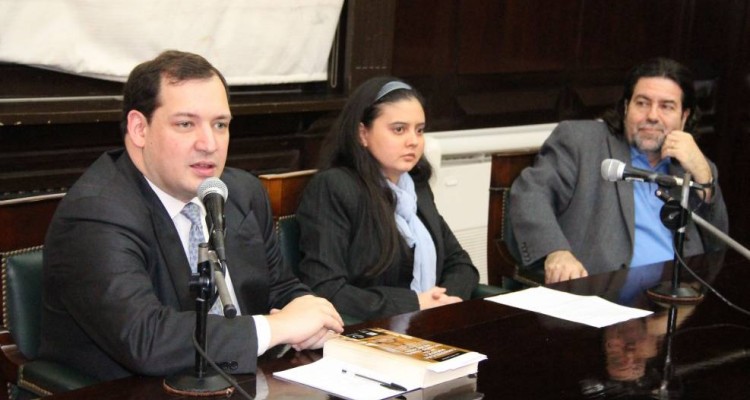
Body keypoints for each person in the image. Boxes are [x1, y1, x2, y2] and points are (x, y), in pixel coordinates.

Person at [39, 50, 343, 381]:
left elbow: (279, 287)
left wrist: (312, 315)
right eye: (186, 124)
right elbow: (147, 340)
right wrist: (277, 327)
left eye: (220, 124)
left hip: (242, 380)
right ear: (140, 129)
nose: (209, 143)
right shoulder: (96, 213)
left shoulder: (240, 192)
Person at [509, 57, 729, 284]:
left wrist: (704, 177)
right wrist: (556, 252)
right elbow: (530, 195)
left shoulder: (693, 166)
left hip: (677, 297)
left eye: (666, 106)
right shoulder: (581, 142)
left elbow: (717, 247)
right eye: (642, 103)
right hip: (605, 295)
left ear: (684, 117)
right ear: (626, 107)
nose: (652, 116)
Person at [295, 77, 479, 322]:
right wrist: (414, 303)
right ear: (363, 133)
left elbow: (460, 263)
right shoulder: (335, 188)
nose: (413, 140)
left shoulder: (415, 187)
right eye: (399, 129)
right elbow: (326, 288)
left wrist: (445, 300)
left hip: (428, 324)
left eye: (420, 130)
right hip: (367, 335)